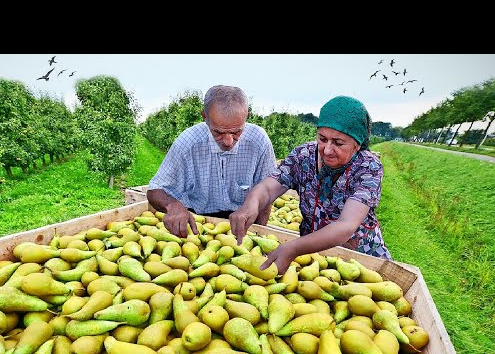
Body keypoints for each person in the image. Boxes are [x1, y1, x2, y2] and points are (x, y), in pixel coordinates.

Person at [229, 95, 392, 275]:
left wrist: (293, 248)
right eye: (322, 139)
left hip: (359, 261)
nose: (327, 150)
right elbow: (268, 188)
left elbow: (345, 226)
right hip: (312, 255)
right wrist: (250, 204)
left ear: (357, 144)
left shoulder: (368, 167)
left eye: (338, 143)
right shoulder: (304, 155)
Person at [146, 85, 277, 239]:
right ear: (205, 116)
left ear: (247, 116)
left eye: (236, 132)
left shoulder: (259, 141)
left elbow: (269, 191)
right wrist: (172, 205)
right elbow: (155, 190)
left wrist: (259, 234)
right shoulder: (187, 143)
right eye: (218, 132)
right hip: (197, 224)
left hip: (242, 224)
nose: (228, 141)